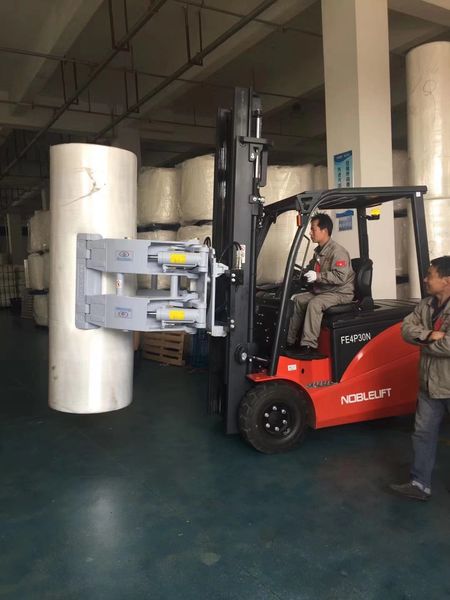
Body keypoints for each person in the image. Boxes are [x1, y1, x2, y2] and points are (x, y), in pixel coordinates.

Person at [390, 256, 450, 501]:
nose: (425, 279)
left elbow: (448, 345)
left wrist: (423, 340)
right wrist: (429, 335)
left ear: (446, 280)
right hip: (428, 384)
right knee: (422, 434)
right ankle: (419, 484)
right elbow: (405, 329)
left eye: (430, 275)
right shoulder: (425, 305)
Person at [286, 213, 354, 356]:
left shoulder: (338, 252)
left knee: (315, 304)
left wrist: (317, 276)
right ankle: (289, 341)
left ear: (324, 231)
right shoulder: (319, 251)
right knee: (298, 300)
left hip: (340, 292)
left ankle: (309, 346)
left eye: (313, 229)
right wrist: (301, 274)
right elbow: (311, 269)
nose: (310, 233)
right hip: (324, 290)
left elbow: (340, 277)